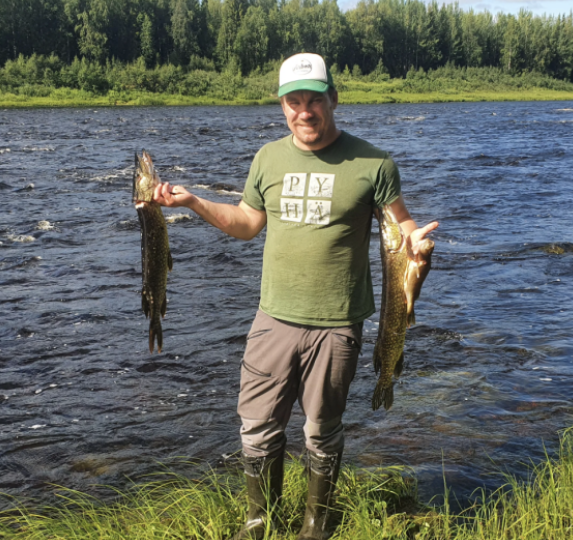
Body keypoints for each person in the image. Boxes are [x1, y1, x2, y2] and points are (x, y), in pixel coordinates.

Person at [152, 52, 438, 540]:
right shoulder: (268, 158)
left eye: (314, 100)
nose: (304, 111)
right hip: (274, 319)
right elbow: (246, 224)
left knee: (321, 432)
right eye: (294, 101)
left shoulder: (374, 163)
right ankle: (258, 522)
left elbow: (402, 224)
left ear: (334, 98)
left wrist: (418, 242)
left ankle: (316, 527)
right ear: (282, 105)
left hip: (338, 323)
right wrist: (194, 202)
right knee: (257, 426)